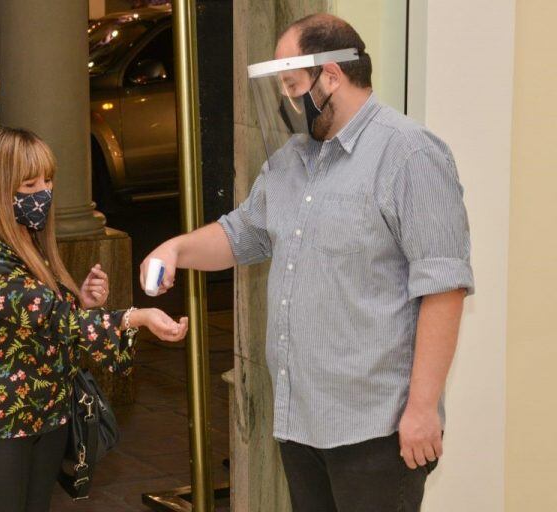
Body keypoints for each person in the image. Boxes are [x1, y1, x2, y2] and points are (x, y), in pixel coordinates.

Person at [141, 13, 474, 511]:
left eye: (293, 85)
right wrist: (176, 249)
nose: (287, 100)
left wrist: (423, 409)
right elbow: (240, 235)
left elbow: (443, 287)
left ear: (331, 76)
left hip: (376, 430)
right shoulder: (291, 161)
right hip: (301, 425)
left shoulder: (409, 153)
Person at [0, 126, 189, 512]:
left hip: (46, 407)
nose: (43, 191)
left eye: (47, 180)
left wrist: (85, 303)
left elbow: (49, 320)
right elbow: (49, 318)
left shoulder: (25, 238)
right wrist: (135, 317)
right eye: (30, 183)